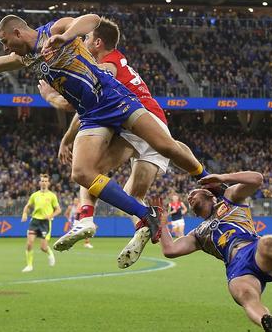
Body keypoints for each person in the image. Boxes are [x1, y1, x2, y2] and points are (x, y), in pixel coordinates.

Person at [0, 13, 211, 251]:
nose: (5, 48)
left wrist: (66, 36)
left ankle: (208, 180)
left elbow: (92, 19)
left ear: (18, 33)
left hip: (115, 99)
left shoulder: (52, 31)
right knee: (81, 173)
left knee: (167, 147)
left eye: (5, 41)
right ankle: (145, 214)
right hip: (91, 115)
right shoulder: (26, 58)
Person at [38, 18, 196, 268]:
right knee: (132, 196)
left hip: (137, 120)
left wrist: (51, 98)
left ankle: (85, 219)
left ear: (98, 42)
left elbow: (81, 106)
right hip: (157, 121)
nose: (84, 42)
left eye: (87, 39)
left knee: (91, 172)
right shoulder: (121, 62)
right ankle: (144, 229)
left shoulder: (104, 66)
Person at [159, 171, 272, 332]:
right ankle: (270, 324)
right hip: (236, 268)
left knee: (268, 241)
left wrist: (222, 178)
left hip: (253, 249)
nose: (189, 196)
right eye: (188, 198)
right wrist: (162, 224)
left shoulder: (230, 198)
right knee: (243, 293)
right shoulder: (197, 234)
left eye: (194, 192)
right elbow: (170, 249)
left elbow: (257, 179)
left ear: (210, 194)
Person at [20, 174, 62, 272]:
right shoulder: (35, 195)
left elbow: (58, 210)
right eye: (42, 181)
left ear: (48, 183)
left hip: (45, 223)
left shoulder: (52, 196)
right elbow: (27, 206)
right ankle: (29, 265)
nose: (43, 183)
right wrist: (24, 214)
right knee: (29, 243)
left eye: (45, 181)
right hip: (35, 221)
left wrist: (51, 216)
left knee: (43, 247)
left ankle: (50, 253)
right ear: (39, 183)